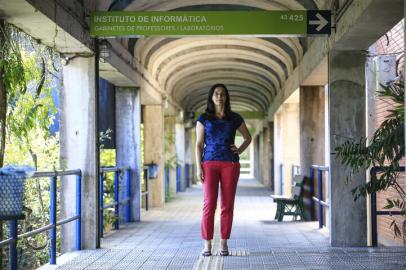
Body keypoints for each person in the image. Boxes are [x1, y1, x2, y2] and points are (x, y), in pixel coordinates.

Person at [195, 83, 252, 256]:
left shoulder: (234, 117)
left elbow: (247, 137)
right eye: (216, 94)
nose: (219, 97)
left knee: (227, 205)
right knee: (209, 204)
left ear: (226, 97)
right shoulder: (204, 118)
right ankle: (207, 244)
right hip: (209, 163)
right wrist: (199, 168)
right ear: (212, 97)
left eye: (222, 94)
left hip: (230, 164)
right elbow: (198, 144)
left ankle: (224, 243)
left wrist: (239, 150)